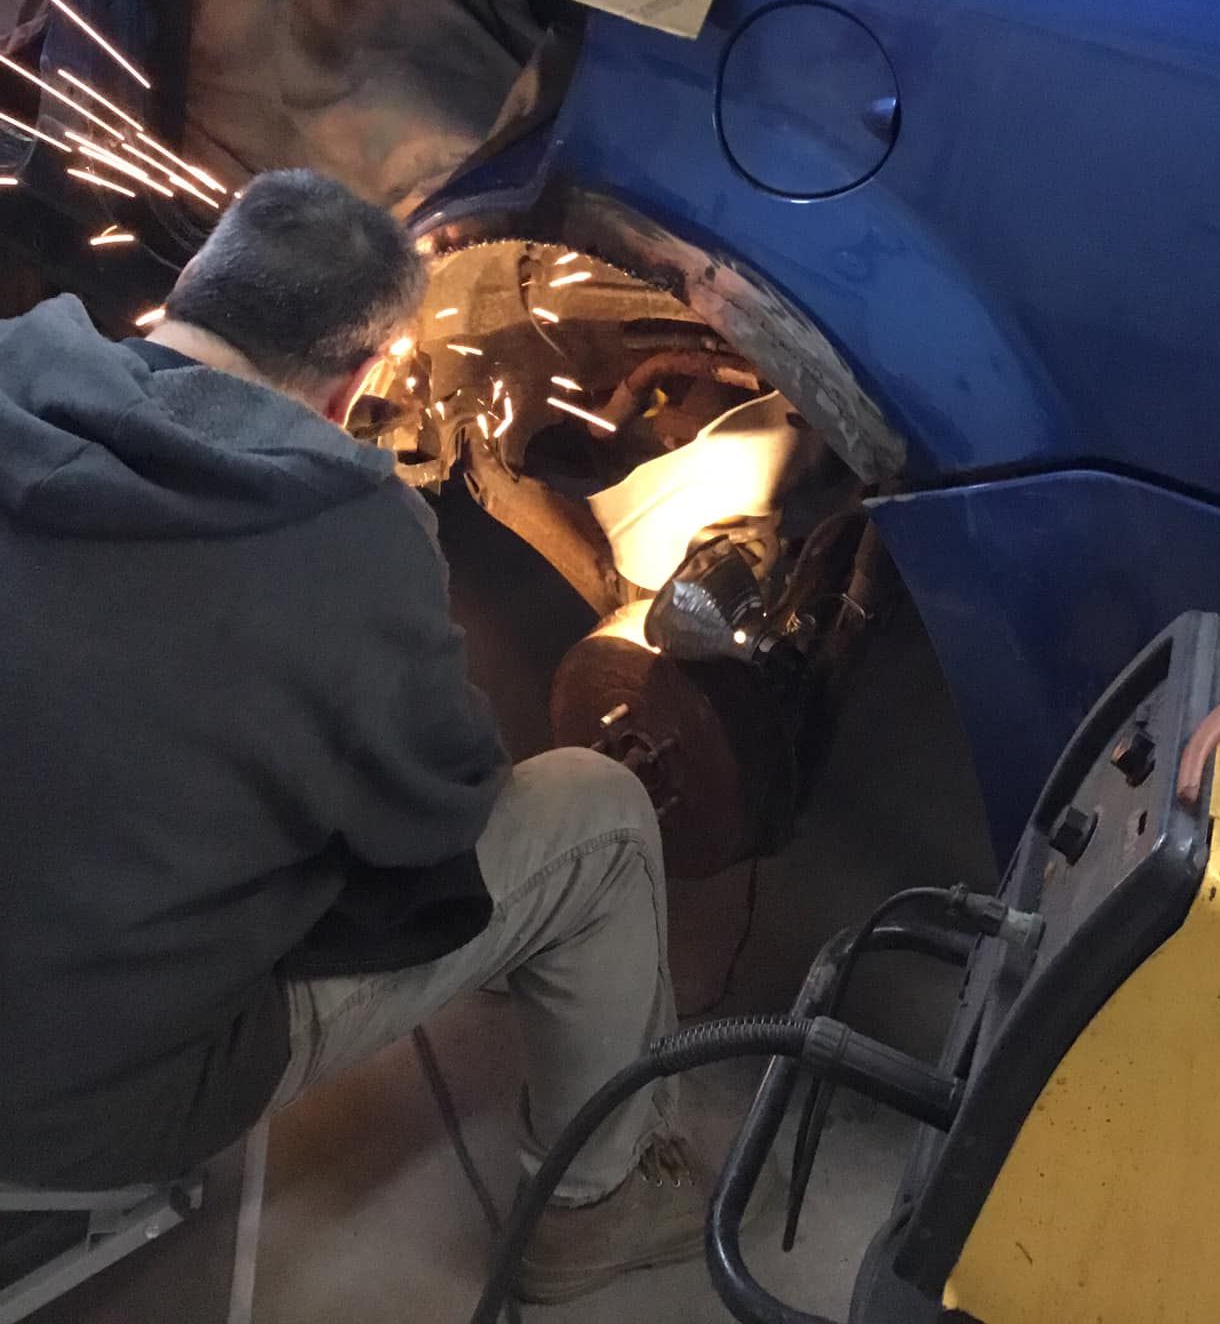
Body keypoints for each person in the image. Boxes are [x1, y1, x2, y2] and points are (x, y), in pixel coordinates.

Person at [0, 168, 718, 1304]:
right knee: (594, 815)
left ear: (187, 283)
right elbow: (436, 815)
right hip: (71, 1103)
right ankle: (599, 1201)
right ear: (355, 386)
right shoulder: (352, 538)